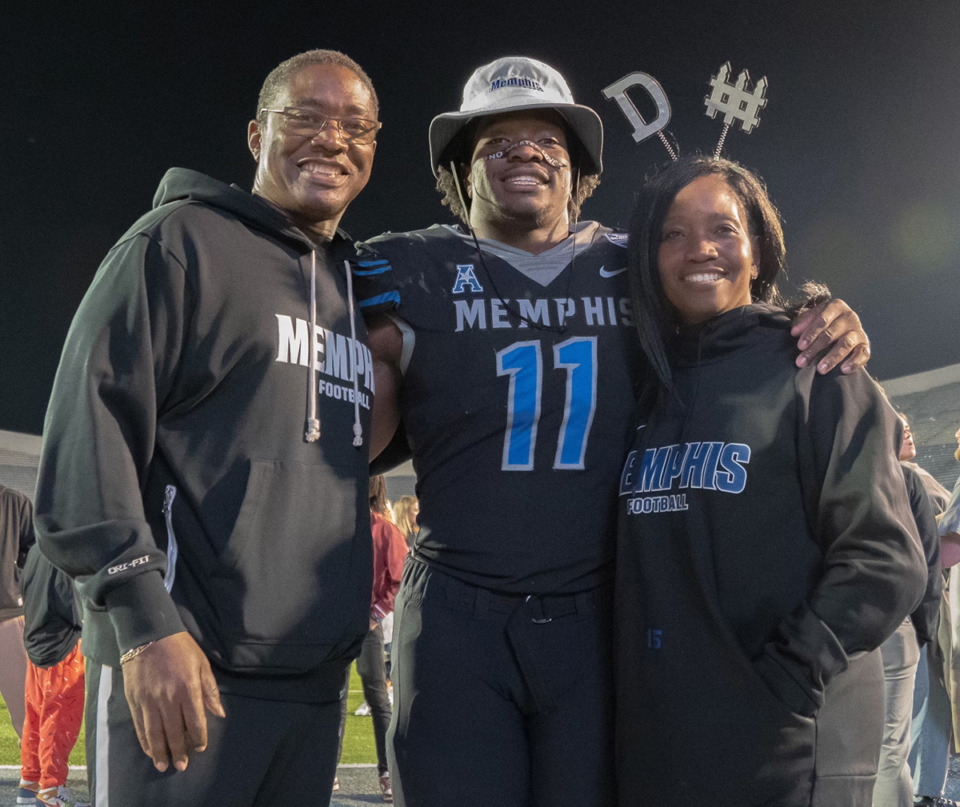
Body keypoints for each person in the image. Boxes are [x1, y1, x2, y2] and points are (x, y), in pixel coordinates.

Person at [361, 56, 871, 807]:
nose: (525, 152)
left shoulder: (637, 264)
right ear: (461, 169)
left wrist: (823, 314)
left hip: (601, 617)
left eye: (546, 139)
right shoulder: (401, 265)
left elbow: (736, 316)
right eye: (497, 142)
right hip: (456, 617)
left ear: (580, 167)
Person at [33, 49, 395, 806]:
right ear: (258, 136)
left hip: (311, 684)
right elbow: (87, 429)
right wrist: (144, 624)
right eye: (307, 117)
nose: (333, 138)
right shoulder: (177, 244)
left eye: (355, 126)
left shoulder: (356, 294)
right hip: (182, 667)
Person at [615, 155, 926, 805]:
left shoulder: (816, 364)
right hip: (655, 751)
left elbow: (885, 558)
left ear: (757, 250)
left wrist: (785, 680)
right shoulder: (639, 383)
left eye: (723, 229)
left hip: (778, 747)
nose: (699, 247)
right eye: (672, 233)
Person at [873, 415, 943, 807]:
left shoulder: (824, 472)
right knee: (888, 752)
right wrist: (923, 629)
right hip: (895, 623)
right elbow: (928, 564)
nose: (908, 431)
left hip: (836, 624)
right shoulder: (904, 478)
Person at [335, 475, 407, 803]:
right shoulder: (340, 525)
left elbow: (397, 578)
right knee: (352, 698)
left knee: (373, 698)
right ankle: (377, 773)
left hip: (359, 626)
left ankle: (386, 771)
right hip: (347, 625)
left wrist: (375, 613)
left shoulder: (380, 530)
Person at [17, 546, 87, 807]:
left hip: (36, 643)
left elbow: (23, 585)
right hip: (62, 646)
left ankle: (30, 783)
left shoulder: (37, 548)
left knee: (35, 718)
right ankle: (51, 789)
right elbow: (73, 604)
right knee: (60, 720)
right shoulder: (66, 552)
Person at [0, 483, 33, 744]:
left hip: (7, 617)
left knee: (27, 711)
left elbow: (34, 556)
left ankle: (40, 778)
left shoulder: (14, 502)